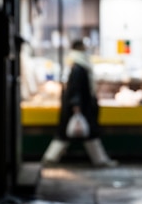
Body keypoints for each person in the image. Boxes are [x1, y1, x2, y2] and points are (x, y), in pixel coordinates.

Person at [41, 39, 118, 167]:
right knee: (88, 134)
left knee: (66, 134)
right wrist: (76, 106)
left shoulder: (76, 65)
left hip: (78, 105)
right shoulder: (79, 67)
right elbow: (76, 88)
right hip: (80, 106)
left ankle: (50, 158)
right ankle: (100, 160)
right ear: (79, 48)